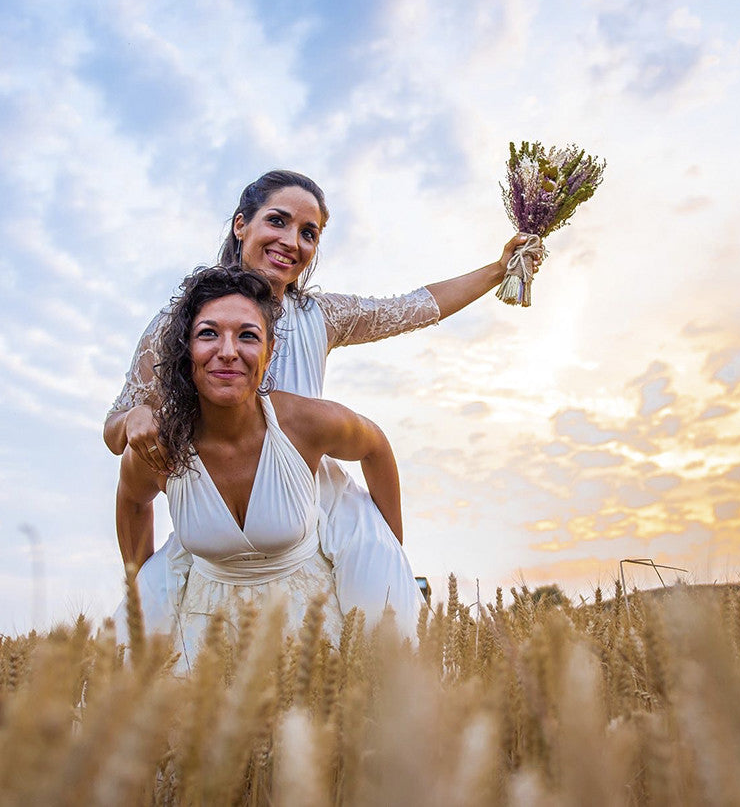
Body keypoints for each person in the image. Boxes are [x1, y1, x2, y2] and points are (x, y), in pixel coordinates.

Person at [106, 170, 539, 638]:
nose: (291, 241)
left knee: (385, 635)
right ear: (240, 225)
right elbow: (116, 430)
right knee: (141, 643)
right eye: (278, 221)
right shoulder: (185, 320)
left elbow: (417, 306)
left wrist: (499, 268)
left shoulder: (321, 315)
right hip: (218, 496)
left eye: (308, 233)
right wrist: (138, 415)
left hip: (312, 493)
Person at [116, 266, 398, 667]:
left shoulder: (305, 423)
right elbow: (131, 501)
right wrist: (145, 588)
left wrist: (389, 552)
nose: (228, 351)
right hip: (203, 641)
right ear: (186, 352)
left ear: (267, 354)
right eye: (208, 333)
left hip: (311, 639)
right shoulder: (162, 445)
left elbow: (376, 447)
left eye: (247, 336)